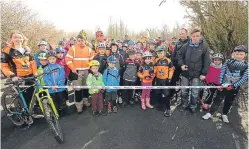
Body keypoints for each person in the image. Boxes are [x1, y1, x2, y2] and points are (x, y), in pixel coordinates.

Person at [202, 45, 248, 123]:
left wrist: (233, 86)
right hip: (224, 85)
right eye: (237, 54)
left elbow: (244, 78)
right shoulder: (228, 62)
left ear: (245, 55)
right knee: (217, 99)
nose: (239, 56)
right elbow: (222, 73)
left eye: (241, 54)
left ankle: (224, 114)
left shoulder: (246, 66)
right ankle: (210, 113)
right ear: (234, 53)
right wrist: (221, 84)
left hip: (234, 88)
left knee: (229, 101)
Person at [1, 30, 37, 110]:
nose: (18, 39)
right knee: (21, 99)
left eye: (20, 37)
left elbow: (33, 63)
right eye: (15, 37)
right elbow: (4, 66)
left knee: (32, 94)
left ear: (23, 39)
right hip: (18, 77)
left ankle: (31, 111)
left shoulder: (27, 49)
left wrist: (35, 73)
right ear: (11, 39)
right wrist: (12, 75)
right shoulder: (6, 50)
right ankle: (22, 116)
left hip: (30, 76)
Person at [178, 28, 210, 114]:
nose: (195, 38)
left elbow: (207, 61)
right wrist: (182, 65)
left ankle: (193, 106)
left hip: (197, 74)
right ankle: (184, 104)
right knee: (184, 91)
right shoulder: (185, 45)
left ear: (201, 36)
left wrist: (204, 73)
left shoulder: (204, 46)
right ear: (191, 36)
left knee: (195, 92)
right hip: (186, 73)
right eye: (193, 36)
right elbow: (179, 56)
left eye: (197, 36)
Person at [65, 33, 95, 113]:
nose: (80, 42)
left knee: (86, 87)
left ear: (85, 40)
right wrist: (73, 68)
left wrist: (91, 70)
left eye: (82, 40)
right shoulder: (73, 48)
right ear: (77, 41)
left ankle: (85, 101)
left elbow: (92, 61)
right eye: (79, 41)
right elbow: (67, 60)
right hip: (76, 72)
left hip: (86, 71)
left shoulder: (89, 49)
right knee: (78, 89)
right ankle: (79, 106)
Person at [43, 51, 67, 117]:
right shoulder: (46, 69)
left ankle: (63, 111)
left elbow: (62, 77)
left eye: (53, 58)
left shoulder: (60, 67)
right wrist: (51, 86)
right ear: (48, 59)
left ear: (55, 59)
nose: (52, 60)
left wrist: (58, 85)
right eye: (50, 59)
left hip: (60, 88)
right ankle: (56, 112)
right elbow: (46, 78)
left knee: (62, 99)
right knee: (54, 101)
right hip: (51, 89)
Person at [154, 46, 174, 117]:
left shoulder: (168, 60)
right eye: (158, 53)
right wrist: (152, 75)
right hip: (158, 79)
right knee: (158, 92)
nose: (160, 54)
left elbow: (171, 70)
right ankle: (159, 105)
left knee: (166, 94)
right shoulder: (156, 60)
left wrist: (169, 78)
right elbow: (155, 70)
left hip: (165, 80)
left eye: (161, 53)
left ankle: (168, 108)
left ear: (165, 53)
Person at [170, 28, 190, 101]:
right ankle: (171, 94)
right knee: (173, 80)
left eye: (183, 33)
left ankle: (184, 98)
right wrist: (172, 64)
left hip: (186, 65)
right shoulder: (177, 43)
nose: (181, 35)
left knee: (186, 83)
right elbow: (173, 54)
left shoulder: (190, 42)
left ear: (186, 33)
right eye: (180, 34)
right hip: (177, 65)